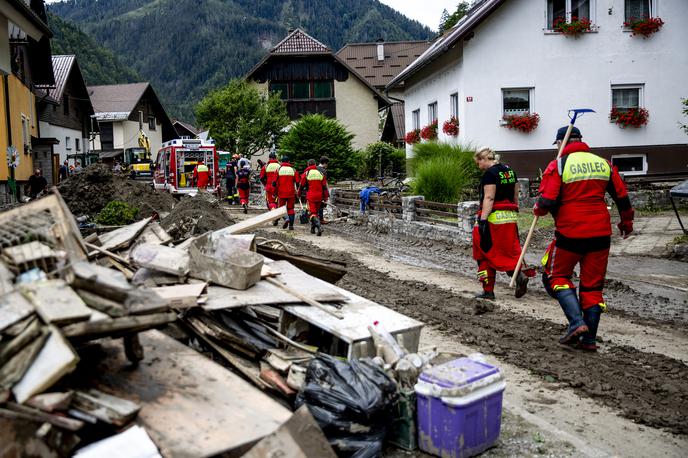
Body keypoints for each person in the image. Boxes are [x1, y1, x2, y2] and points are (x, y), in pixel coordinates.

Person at [534, 126, 634, 351]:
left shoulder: (559, 164)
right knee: (592, 287)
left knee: (557, 276)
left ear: (561, 142)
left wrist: (537, 209)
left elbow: (547, 202)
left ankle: (576, 323)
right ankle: (589, 341)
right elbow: (622, 198)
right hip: (600, 233)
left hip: (571, 232)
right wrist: (626, 223)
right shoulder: (604, 164)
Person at [472, 147, 531, 301]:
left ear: (485, 159)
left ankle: (488, 291)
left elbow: (489, 198)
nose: (479, 167)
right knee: (507, 250)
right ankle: (519, 275)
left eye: (479, 163)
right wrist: (515, 210)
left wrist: (483, 220)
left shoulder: (490, 174)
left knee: (484, 252)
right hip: (509, 217)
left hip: (493, 218)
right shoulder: (509, 170)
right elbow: (515, 193)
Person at [299, 159, 329, 236]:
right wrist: (325, 197)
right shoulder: (320, 173)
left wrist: (299, 193)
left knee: (312, 213)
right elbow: (324, 187)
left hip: (311, 196)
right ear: (315, 164)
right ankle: (313, 229)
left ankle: (319, 227)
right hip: (319, 196)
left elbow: (301, 185)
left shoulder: (307, 173)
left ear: (308, 164)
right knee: (316, 213)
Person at [274, 155, 300, 230]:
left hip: (281, 192)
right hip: (291, 193)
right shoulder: (293, 170)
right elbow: (298, 182)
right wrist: (298, 190)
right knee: (291, 209)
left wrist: (275, 192)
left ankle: (286, 219)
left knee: (281, 208)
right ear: (289, 162)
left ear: (281, 162)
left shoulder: (278, 169)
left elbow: (274, 183)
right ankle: (291, 226)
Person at [259, 152, 281, 222]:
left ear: (269, 158)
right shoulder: (280, 166)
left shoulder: (266, 166)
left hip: (269, 187)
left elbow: (261, 178)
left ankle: (274, 214)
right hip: (278, 187)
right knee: (277, 202)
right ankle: (276, 215)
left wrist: (265, 184)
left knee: (271, 202)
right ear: (276, 158)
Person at [317, 156, 329, 222]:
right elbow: (325, 182)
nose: (327, 165)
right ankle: (321, 219)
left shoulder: (315, 168)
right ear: (325, 163)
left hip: (313, 189)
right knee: (321, 204)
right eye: (327, 164)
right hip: (321, 190)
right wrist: (327, 191)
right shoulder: (324, 171)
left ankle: (314, 218)